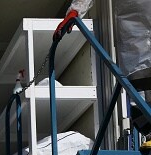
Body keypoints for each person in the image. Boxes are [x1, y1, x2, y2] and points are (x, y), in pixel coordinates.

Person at [55, 0, 151, 140]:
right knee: (138, 82)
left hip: (134, 30)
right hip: (133, 31)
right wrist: (75, 10)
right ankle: (148, 130)